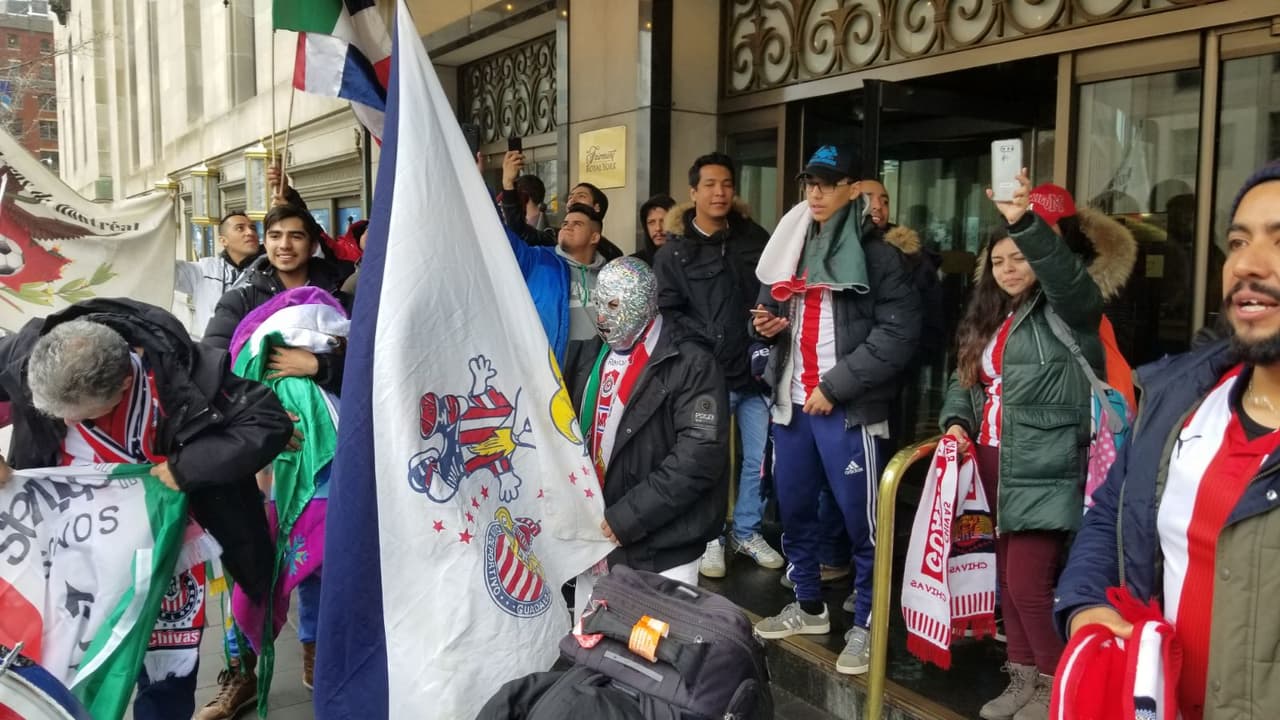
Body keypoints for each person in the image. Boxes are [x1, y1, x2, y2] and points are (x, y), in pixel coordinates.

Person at [1055, 161, 1280, 720]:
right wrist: (1085, 603)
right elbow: (1112, 509)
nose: (1247, 265)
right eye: (1236, 241)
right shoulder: (1179, 401)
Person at [0, 299, 293, 720]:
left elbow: (268, 422)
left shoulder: (189, 374)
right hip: (64, 539)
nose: (66, 426)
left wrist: (186, 468)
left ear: (125, 380)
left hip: (162, 544)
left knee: (165, 668)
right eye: (55, 415)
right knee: (65, 652)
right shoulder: (23, 351)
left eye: (81, 417)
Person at [939, 169, 1104, 720]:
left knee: (1029, 583)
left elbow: (1070, 280)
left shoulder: (1068, 307)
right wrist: (956, 421)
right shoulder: (993, 313)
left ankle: (1059, 685)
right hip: (990, 460)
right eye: (1000, 260)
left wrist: (1023, 222)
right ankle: (1022, 679)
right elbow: (963, 379)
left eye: (1021, 257)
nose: (1010, 270)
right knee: (1006, 583)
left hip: (1044, 462)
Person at [750, 145, 920, 676]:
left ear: (853, 189)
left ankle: (868, 627)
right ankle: (807, 607)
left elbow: (900, 334)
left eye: (827, 183)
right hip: (792, 406)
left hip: (847, 411)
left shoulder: (881, 255)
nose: (816, 193)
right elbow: (765, 313)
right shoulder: (791, 246)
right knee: (795, 515)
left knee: (865, 527)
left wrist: (837, 385)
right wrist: (764, 331)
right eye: (809, 184)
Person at [564, 257, 728, 591]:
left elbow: (698, 458)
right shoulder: (586, 358)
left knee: (648, 643)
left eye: (613, 304)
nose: (601, 316)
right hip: (595, 545)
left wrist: (628, 517)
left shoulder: (692, 363)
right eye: (598, 303)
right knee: (590, 641)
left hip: (662, 555)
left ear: (644, 303)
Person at [654, 152, 782, 577]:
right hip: (707, 376)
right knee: (710, 458)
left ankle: (746, 530)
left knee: (758, 457)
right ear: (693, 193)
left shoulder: (753, 238)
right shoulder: (675, 253)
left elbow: (776, 290)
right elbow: (668, 313)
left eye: (726, 183)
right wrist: (707, 342)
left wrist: (770, 321)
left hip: (756, 372)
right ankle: (711, 538)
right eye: (709, 184)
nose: (719, 192)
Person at [202, 204, 349, 395]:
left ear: (313, 246)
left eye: (296, 236)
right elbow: (211, 370)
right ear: (265, 242)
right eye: (275, 236)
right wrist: (268, 412)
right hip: (262, 420)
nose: (284, 245)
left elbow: (367, 369)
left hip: (332, 418)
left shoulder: (339, 301)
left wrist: (318, 366)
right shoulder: (239, 302)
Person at [503, 203, 610, 367]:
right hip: (552, 376)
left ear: (594, 237)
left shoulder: (609, 276)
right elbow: (499, 236)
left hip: (596, 378)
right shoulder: (538, 260)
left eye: (577, 224)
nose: (568, 227)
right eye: (565, 223)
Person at [500, 151, 623, 259]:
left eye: (581, 196)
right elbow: (520, 231)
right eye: (570, 197)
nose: (572, 200)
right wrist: (508, 184)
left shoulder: (612, 254)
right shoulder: (553, 238)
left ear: (597, 207)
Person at [174, 211, 263, 338]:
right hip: (214, 352)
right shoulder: (205, 270)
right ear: (223, 240)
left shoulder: (268, 270)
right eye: (240, 228)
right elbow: (163, 269)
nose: (250, 232)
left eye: (253, 228)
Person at [633, 193, 675, 266]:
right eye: (651, 222)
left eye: (664, 221)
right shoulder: (635, 263)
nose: (658, 228)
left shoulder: (687, 260)